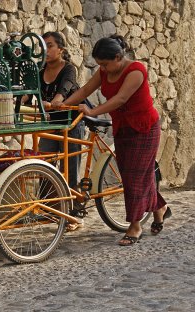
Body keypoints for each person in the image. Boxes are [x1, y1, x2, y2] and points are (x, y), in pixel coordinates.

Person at [54, 35, 170, 245]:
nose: (103, 69)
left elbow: (120, 99)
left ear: (118, 57)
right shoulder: (104, 71)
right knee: (131, 174)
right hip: (123, 128)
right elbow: (85, 90)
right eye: (100, 65)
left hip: (144, 128)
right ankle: (160, 207)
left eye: (106, 64)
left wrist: (92, 111)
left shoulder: (136, 70)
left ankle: (135, 227)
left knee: (135, 177)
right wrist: (64, 103)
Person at [22, 32, 85, 230]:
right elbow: (26, 94)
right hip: (49, 125)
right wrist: (17, 102)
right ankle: (50, 209)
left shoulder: (69, 69)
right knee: (45, 163)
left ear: (61, 50)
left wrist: (55, 101)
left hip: (70, 123)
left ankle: (75, 215)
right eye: (42, 46)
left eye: (49, 46)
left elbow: (63, 92)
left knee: (69, 167)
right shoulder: (39, 70)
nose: (45, 51)